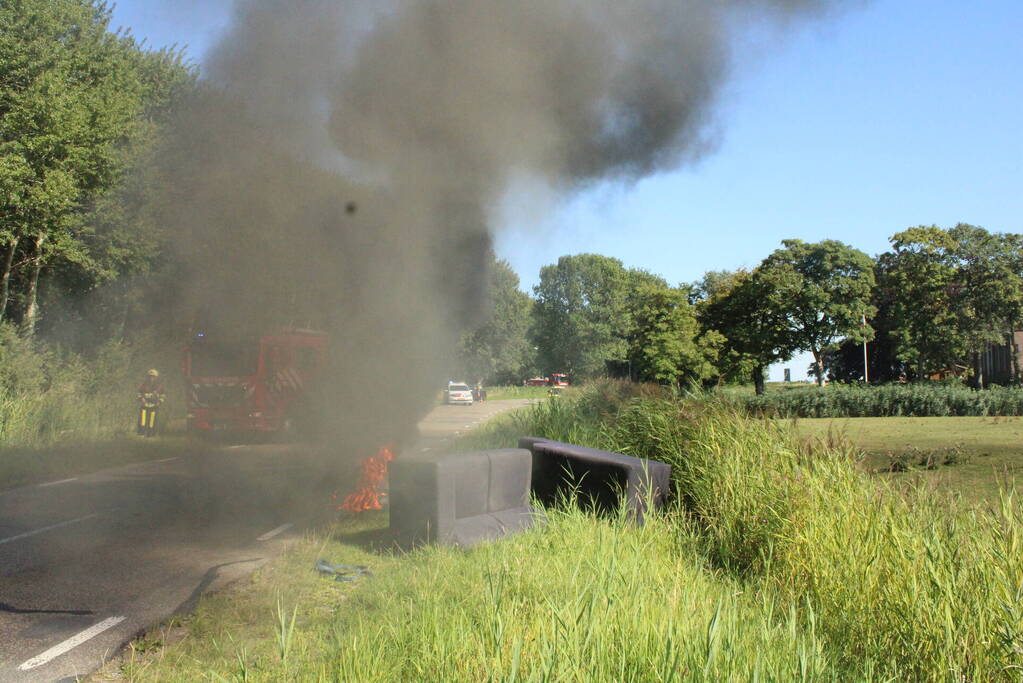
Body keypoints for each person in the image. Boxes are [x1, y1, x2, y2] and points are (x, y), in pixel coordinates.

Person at [137, 369, 166, 437]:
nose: (151, 378)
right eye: (150, 376)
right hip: (144, 405)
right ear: (148, 377)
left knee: (152, 420)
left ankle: (151, 434)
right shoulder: (143, 385)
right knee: (142, 420)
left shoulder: (159, 386)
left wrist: (159, 401)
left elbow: (163, 395)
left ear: (156, 377)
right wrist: (141, 399)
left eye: (153, 376)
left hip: (154, 405)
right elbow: (139, 393)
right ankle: (141, 433)